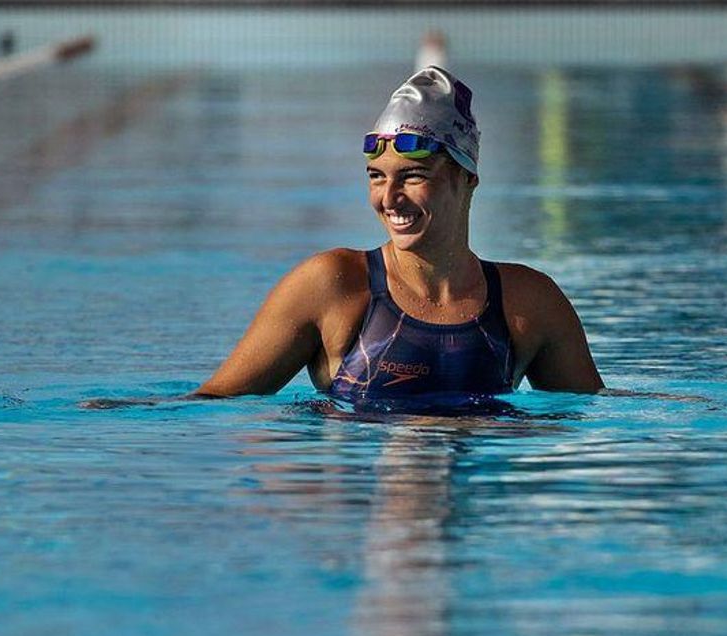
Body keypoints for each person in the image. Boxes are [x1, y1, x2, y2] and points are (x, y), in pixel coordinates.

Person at [194, 67, 603, 405]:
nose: (389, 199)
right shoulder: (333, 286)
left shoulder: (529, 301)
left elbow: (591, 415)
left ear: (467, 178)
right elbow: (213, 403)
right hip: (364, 502)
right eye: (377, 177)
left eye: (412, 176)